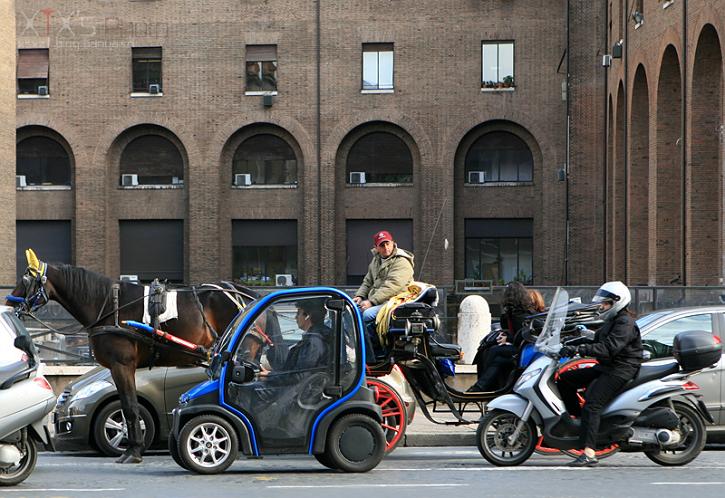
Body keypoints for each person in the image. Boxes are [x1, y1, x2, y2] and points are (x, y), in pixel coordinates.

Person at [557, 281, 643, 467]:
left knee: (592, 405)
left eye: (605, 303)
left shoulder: (625, 323)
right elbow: (596, 340)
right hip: (607, 366)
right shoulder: (612, 320)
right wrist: (568, 342)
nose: (601, 306)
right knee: (565, 379)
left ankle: (589, 453)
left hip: (621, 369)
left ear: (617, 302)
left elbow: (608, 348)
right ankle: (580, 422)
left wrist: (579, 350)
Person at [353, 230, 414, 358]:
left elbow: (392, 286)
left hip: (395, 302)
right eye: (382, 245)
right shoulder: (376, 260)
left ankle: (376, 353)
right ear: (376, 247)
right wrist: (360, 296)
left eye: (388, 244)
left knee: (367, 314)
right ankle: (360, 350)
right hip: (379, 301)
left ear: (393, 243)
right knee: (351, 312)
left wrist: (371, 301)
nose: (386, 248)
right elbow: (367, 281)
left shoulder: (401, 261)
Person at [468, 281, 534, 392]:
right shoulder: (513, 313)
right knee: (494, 356)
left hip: (523, 349)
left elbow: (523, 335)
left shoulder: (522, 315)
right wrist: (504, 335)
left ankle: (481, 387)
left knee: (494, 351)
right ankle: (481, 386)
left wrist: (508, 338)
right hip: (517, 347)